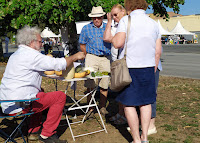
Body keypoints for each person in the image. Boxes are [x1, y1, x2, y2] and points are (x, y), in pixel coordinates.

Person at [0, 26, 85, 143]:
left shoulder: (15, 55)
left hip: (5, 102)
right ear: (31, 42)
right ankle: (47, 134)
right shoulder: (31, 55)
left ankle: (33, 131)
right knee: (60, 97)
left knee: (40, 92)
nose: (42, 44)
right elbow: (58, 64)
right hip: (19, 104)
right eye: (40, 41)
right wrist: (75, 56)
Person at [111, 0, 162, 142]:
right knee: (146, 103)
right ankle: (144, 137)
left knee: (129, 104)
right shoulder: (153, 23)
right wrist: (153, 68)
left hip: (129, 67)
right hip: (148, 67)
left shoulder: (126, 20)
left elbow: (118, 43)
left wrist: (113, 38)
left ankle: (136, 139)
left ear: (129, 5)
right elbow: (158, 51)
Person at [79, 6, 111, 116]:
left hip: (105, 58)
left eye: (98, 17)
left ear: (102, 17)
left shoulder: (108, 27)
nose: (96, 20)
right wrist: (88, 55)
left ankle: (102, 107)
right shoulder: (86, 28)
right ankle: (90, 108)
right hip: (91, 57)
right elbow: (82, 44)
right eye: (94, 18)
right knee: (90, 84)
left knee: (104, 84)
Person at [103, 4, 127, 124]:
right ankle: (121, 113)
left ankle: (125, 115)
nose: (114, 17)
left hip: (126, 61)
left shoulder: (128, 24)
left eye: (116, 15)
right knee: (119, 89)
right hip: (116, 61)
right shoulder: (114, 25)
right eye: (112, 16)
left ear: (123, 12)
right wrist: (109, 22)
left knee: (125, 89)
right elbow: (106, 37)